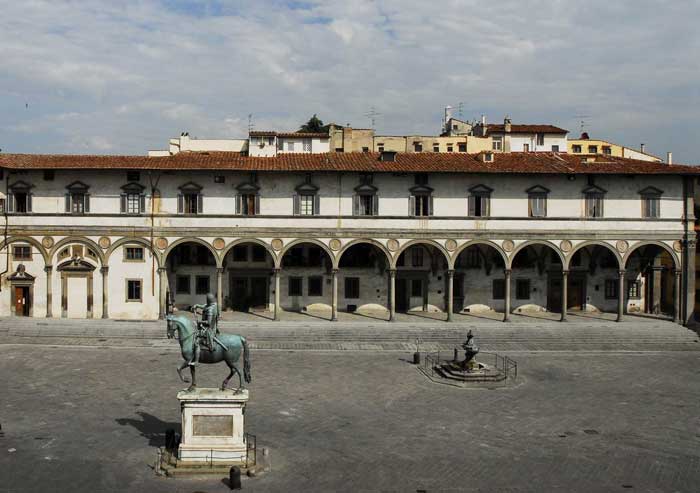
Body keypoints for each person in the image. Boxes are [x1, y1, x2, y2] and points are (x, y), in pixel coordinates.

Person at [191, 293, 219, 364]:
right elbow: (204, 306)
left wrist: (199, 322)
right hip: (208, 327)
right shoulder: (213, 305)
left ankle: (196, 361)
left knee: (196, 341)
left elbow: (208, 322)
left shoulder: (210, 310)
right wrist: (197, 305)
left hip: (209, 329)